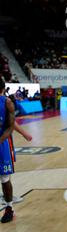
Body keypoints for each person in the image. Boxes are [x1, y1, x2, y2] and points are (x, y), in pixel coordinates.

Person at [0, 79, 16, 223]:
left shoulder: (7, 103)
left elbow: (10, 127)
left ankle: (9, 208)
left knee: (4, 179)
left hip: (2, 143)